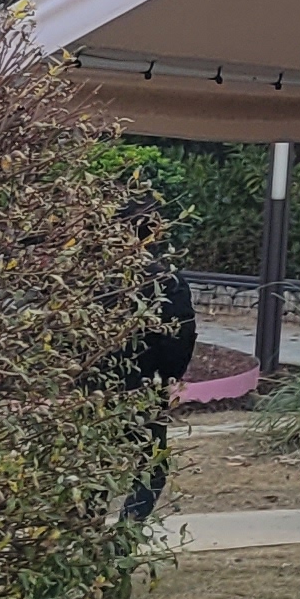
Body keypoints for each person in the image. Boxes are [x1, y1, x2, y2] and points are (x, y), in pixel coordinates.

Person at [114, 208, 198, 524]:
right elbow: (179, 336)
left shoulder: (86, 279)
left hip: (86, 389)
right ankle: (124, 535)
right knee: (152, 466)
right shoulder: (166, 281)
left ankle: (82, 531)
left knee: (89, 467)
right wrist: (171, 374)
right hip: (142, 385)